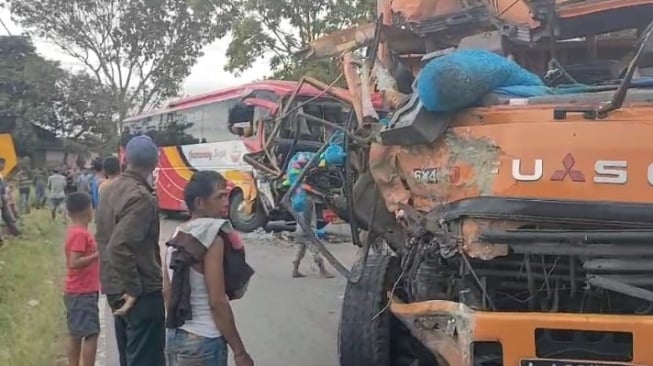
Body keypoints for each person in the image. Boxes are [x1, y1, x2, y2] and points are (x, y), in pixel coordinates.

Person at [164, 171, 254, 366]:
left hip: (177, 338)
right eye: (219, 196)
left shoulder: (178, 234)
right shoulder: (212, 238)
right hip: (205, 342)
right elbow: (217, 303)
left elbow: (167, 291)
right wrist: (239, 351)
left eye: (227, 196)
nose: (226, 202)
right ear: (199, 202)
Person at [95, 135, 164, 366]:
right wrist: (134, 289)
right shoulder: (141, 198)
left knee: (129, 356)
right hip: (139, 292)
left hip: (114, 288)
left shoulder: (107, 190)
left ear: (124, 159)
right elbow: (119, 245)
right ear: (155, 163)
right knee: (146, 358)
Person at [63, 192, 100, 366]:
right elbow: (74, 262)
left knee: (76, 333)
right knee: (91, 333)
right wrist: (97, 255)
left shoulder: (78, 232)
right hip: (82, 291)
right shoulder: (80, 234)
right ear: (88, 210)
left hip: (78, 291)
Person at [292, 197, 334, 278]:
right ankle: (323, 270)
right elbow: (307, 217)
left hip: (299, 228)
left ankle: (295, 270)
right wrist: (310, 231)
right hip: (306, 229)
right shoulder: (308, 200)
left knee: (300, 250)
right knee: (315, 250)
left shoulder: (298, 198)